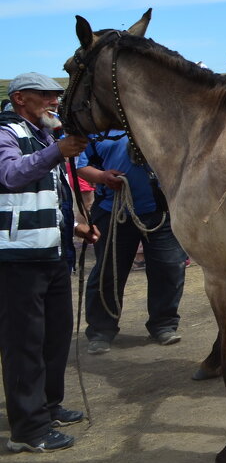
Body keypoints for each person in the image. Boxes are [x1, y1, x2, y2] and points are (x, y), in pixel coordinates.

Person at [0, 73, 88, 453]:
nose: (55, 102)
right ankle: (28, 429)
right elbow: (9, 175)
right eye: (46, 96)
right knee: (24, 344)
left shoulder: (45, 135)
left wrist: (77, 226)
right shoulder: (6, 132)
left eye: (56, 96)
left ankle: (48, 406)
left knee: (54, 337)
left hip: (51, 252)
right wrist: (57, 151)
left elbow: (52, 191)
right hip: (18, 257)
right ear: (20, 98)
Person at [77, 131, 188, 353]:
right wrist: (101, 177)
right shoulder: (95, 127)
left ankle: (164, 324)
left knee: (169, 268)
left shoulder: (153, 118)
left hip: (160, 210)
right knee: (108, 271)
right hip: (112, 210)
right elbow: (80, 165)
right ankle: (101, 330)